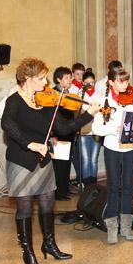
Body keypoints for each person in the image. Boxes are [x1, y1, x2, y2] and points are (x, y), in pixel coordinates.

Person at [1, 57, 100, 264]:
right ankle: (28, 252)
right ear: (27, 79)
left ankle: (49, 244)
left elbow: (64, 128)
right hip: (21, 160)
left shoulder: (45, 102)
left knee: (47, 202)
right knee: (25, 207)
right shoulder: (14, 101)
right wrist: (31, 144)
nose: (45, 83)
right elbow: (7, 124)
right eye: (41, 78)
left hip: (44, 159)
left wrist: (88, 115)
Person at [91, 69, 133, 245]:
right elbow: (97, 129)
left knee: (128, 186)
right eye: (121, 82)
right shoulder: (103, 101)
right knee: (113, 186)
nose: (125, 85)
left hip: (131, 147)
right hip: (112, 147)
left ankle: (126, 227)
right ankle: (112, 227)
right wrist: (115, 129)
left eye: (127, 81)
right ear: (111, 83)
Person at [51, 66, 77, 201]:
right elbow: (51, 117)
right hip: (58, 135)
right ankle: (59, 193)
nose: (70, 79)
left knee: (66, 163)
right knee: (60, 165)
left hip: (69, 134)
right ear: (59, 80)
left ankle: (65, 189)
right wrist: (52, 135)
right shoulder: (53, 94)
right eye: (67, 77)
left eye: (70, 77)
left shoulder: (68, 93)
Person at [76, 69, 101, 186]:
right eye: (87, 82)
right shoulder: (79, 94)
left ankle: (94, 184)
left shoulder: (99, 95)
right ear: (83, 83)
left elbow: (100, 112)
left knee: (94, 158)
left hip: (96, 130)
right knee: (85, 158)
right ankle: (87, 184)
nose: (90, 85)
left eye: (92, 82)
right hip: (84, 130)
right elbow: (78, 113)